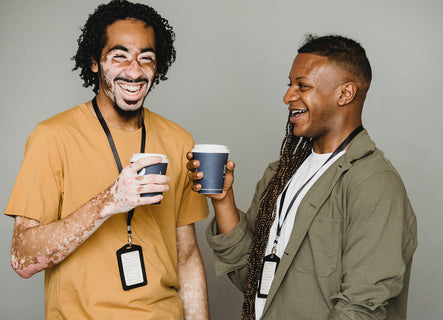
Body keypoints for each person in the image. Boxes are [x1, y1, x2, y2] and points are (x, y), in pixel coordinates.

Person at [187, 35, 418, 319]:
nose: (287, 97)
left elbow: (360, 309)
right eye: (290, 84)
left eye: (303, 86)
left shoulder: (373, 183)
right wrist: (223, 201)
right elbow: (252, 279)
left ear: (345, 94)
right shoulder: (280, 173)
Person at [5, 1, 210, 319]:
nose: (135, 71)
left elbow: (187, 257)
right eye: (120, 56)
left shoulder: (179, 139)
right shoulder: (52, 137)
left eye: (146, 58)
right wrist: (108, 201)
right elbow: (22, 259)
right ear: (94, 62)